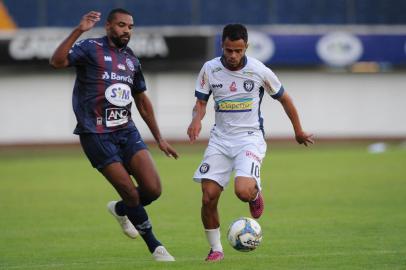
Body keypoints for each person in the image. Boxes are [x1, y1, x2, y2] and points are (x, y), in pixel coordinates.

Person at [50, 9, 178, 262]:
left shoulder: (131, 60)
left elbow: (142, 101)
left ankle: (120, 210)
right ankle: (155, 246)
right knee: (130, 192)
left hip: (126, 131)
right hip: (95, 133)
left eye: (130, 27)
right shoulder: (89, 47)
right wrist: (79, 30)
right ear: (108, 26)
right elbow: (57, 61)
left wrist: (160, 138)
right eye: (121, 25)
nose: (126, 31)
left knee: (152, 189)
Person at [187, 24, 314, 262]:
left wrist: (298, 130)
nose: (233, 56)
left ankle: (255, 194)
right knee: (208, 196)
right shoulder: (210, 69)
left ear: (246, 47)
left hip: (249, 139)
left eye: (238, 50)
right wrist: (196, 120)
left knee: (242, 191)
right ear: (222, 46)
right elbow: (201, 103)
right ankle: (216, 249)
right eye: (228, 50)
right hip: (220, 140)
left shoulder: (259, 70)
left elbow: (285, 99)